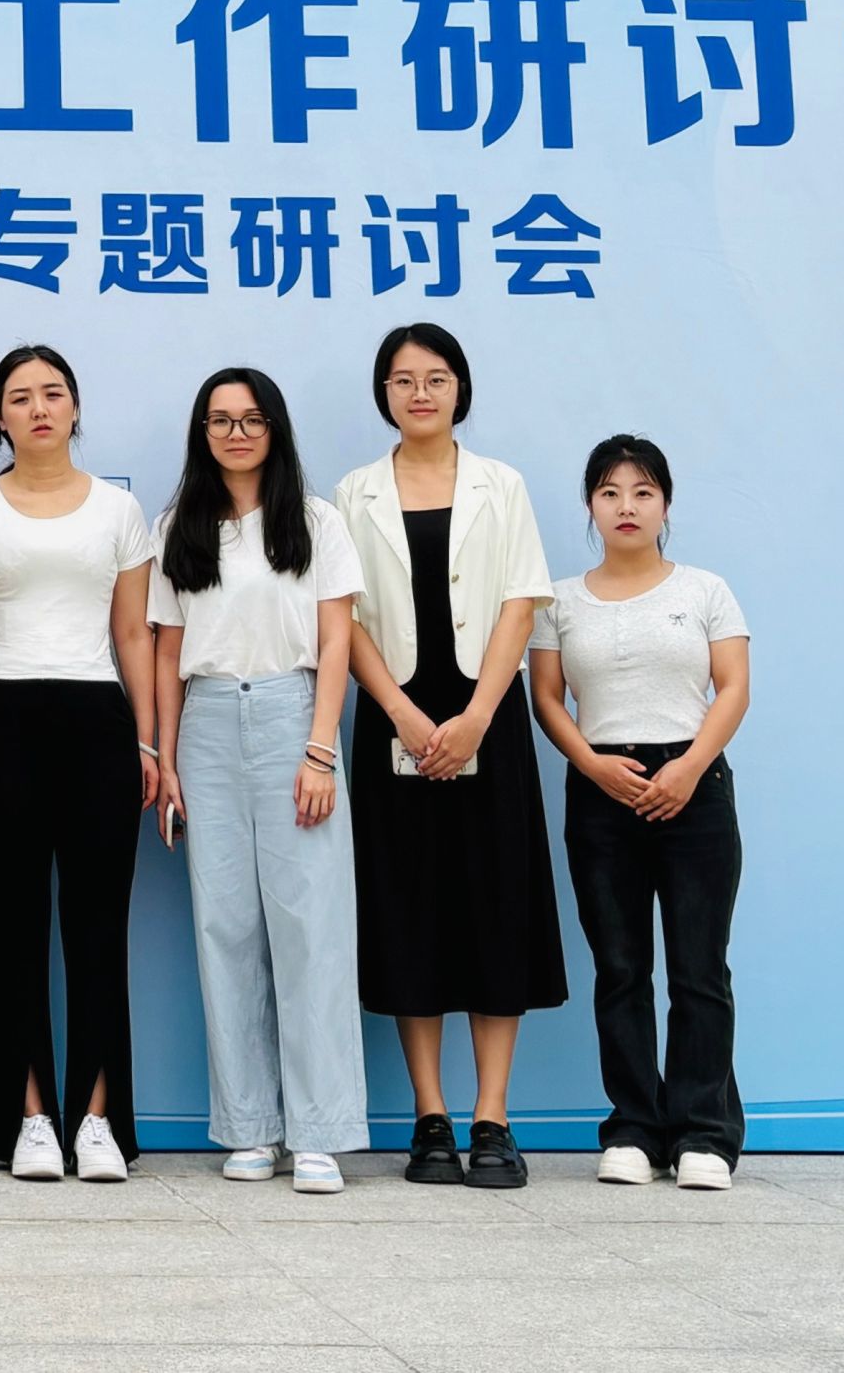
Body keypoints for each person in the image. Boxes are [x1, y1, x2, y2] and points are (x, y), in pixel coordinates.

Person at [336, 321, 565, 1190]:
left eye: (435, 378)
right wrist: (400, 711)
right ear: (383, 394)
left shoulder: (502, 485)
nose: (420, 393)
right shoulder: (353, 492)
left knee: (495, 906)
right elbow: (342, 616)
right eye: (402, 380)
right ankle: (430, 1117)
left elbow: (520, 603)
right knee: (409, 909)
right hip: (393, 718)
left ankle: (492, 1117)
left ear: (460, 387)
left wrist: (475, 715)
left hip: (487, 717)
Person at [148, 368, 364, 1195]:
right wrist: (167, 759)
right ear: (202, 433)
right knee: (226, 928)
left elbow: (337, 640)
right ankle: (249, 1128)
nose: (236, 434)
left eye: (251, 419)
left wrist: (320, 750)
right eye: (220, 421)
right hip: (204, 723)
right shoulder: (179, 526)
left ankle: (319, 1133)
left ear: (275, 427)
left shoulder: (315, 521)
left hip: (290, 715)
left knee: (310, 931)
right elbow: (168, 651)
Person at [0, 343, 160, 1182]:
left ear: (75, 408)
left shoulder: (119, 510)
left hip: (99, 721)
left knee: (99, 926)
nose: (38, 408)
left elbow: (134, 634)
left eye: (53, 393)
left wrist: (148, 742)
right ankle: (31, 1116)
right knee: (14, 925)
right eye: (20, 397)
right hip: (0, 718)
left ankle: (97, 1118)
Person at [529, 435, 752, 1192]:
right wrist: (591, 764)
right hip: (601, 790)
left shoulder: (705, 590)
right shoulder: (559, 600)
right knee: (621, 969)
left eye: (643, 491)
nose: (627, 506)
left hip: (695, 786)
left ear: (665, 504)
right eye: (610, 492)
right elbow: (546, 698)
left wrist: (688, 768)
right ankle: (632, 1127)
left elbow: (733, 687)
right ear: (590, 506)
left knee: (698, 968)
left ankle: (704, 1134)